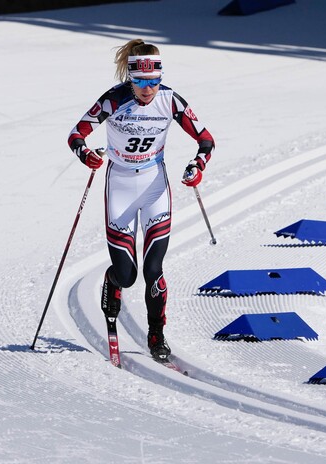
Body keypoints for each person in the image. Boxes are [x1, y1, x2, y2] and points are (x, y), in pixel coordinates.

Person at [67, 39, 215, 362]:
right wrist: (86, 154)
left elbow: (206, 140)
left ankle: (156, 335)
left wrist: (196, 167)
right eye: (140, 82)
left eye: (153, 81)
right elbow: (76, 134)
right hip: (120, 186)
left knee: (153, 269)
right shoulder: (114, 100)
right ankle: (113, 280)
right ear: (130, 79)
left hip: (153, 187)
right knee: (128, 274)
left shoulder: (170, 100)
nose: (147, 89)